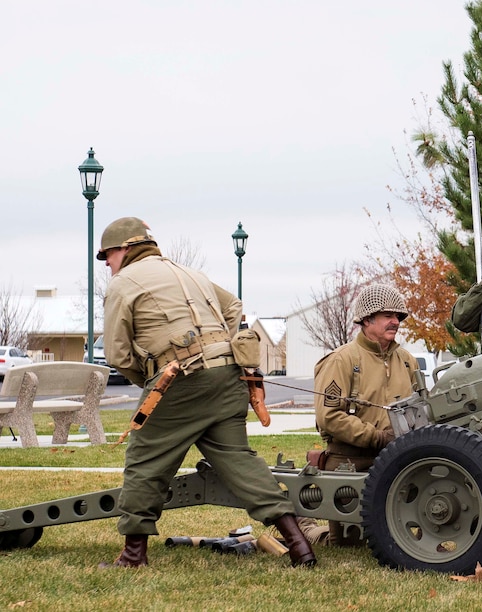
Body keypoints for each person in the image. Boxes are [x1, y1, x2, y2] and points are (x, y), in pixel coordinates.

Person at [98, 217, 315, 568]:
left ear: (124, 249)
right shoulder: (190, 274)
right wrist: (217, 347)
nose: (107, 264)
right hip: (228, 377)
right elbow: (233, 307)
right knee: (240, 461)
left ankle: (133, 555)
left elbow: (117, 354)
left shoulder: (124, 283)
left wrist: (150, 380)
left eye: (107, 255)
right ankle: (299, 543)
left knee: (144, 462)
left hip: (181, 379)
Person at [304, 283, 420, 546]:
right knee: (348, 544)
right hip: (350, 462)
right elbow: (329, 417)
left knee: (400, 540)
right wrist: (378, 438)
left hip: (399, 461)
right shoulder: (341, 360)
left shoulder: (407, 361)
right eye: (388, 316)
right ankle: (305, 527)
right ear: (367, 320)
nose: (395, 322)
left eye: (398, 317)